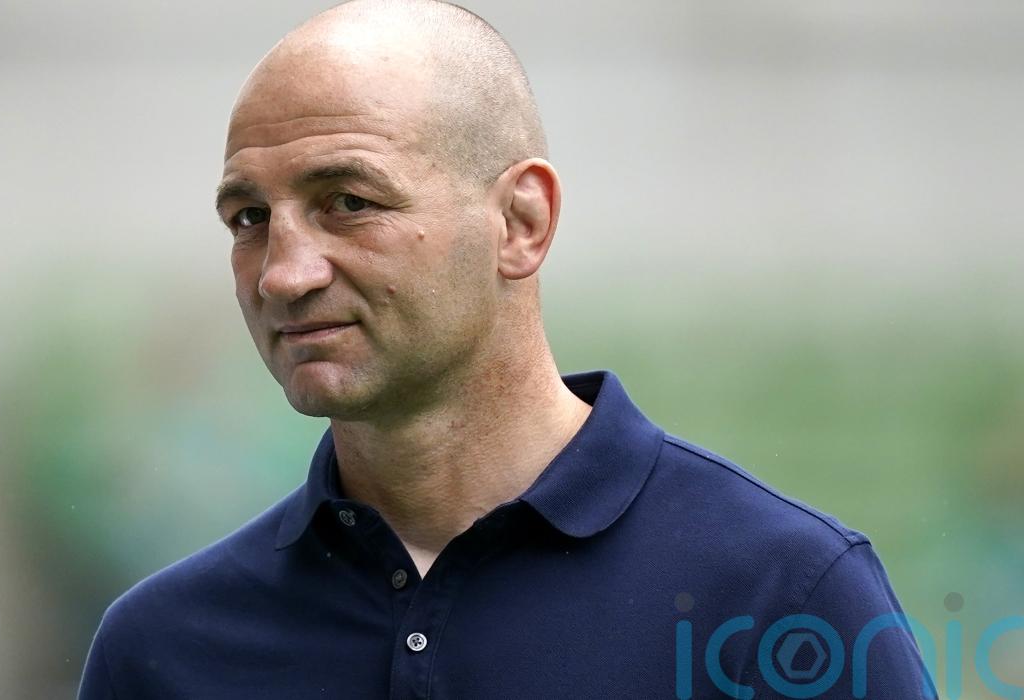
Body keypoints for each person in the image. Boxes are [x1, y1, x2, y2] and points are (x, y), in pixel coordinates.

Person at [79, 1, 935, 697]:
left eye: (348, 201)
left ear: (521, 222)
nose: (282, 274)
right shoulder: (163, 648)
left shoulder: (781, 596)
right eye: (249, 219)